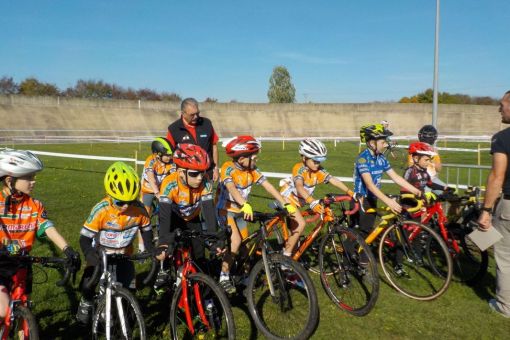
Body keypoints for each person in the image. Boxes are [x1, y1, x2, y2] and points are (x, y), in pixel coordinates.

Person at [0, 149, 80, 320]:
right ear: (10, 180)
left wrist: (67, 249)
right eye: (29, 177)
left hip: (23, 263)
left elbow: (47, 227)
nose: (33, 181)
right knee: (3, 310)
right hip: (1, 264)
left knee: (23, 311)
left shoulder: (35, 205)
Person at [216, 136, 300, 294]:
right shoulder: (228, 168)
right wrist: (244, 203)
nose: (257, 159)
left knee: (246, 246)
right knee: (235, 241)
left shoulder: (252, 170)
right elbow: (231, 187)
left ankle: (243, 274)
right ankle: (224, 276)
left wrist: (285, 203)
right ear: (241, 159)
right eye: (254, 157)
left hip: (241, 211)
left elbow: (268, 186)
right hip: (225, 210)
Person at [76, 161, 153, 325]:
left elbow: (146, 230)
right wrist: (89, 254)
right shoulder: (101, 210)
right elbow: (84, 238)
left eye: (130, 202)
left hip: (124, 255)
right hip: (101, 255)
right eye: (120, 202)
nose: (126, 206)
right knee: (88, 283)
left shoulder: (139, 209)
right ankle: (86, 301)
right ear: (110, 196)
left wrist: (151, 249)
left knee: (130, 292)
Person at [154, 144, 226, 280]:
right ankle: (164, 269)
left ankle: (202, 288)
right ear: (181, 172)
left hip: (193, 219)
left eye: (202, 172)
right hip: (173, 218)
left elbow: (209, 214)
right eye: (194, 174)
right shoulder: (169, 184)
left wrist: (213, 239)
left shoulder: (205, 183)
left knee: (199, 256)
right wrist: (164, 242)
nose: (200, 177)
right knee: (168, 248)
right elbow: (164, 217)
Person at [352, 124, 422, 247]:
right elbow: (370, 185)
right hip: (360, 200)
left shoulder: (381, 158)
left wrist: (416, 191)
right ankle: (353, 261)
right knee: (360, 233)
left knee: (367, 231)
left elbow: (395, 177)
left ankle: (361, 258)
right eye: (383, 142)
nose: (386, 145)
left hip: (373, 198)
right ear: (372, 143)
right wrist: (388, 201)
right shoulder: (362, 159)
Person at [477, 90, 510, 318]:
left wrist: (486, 210)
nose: (499, 109)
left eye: (502, 105)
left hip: (508, 206)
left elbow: (497, 177)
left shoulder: (502, 138)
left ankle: (505, 306)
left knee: (505, 258)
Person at [280, 138, 353, 212]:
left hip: (302, 199)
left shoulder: (318, 170)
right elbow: (299, 186)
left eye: (319, 161)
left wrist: (350, 192)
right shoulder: (299, 168)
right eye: (315, 161)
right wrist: (312, 202)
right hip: (288, 197)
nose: (317, 164)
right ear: (304, 158)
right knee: (301, 223)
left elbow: (333, 180)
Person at [166, 98, 220, 182]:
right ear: (183, 113)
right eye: (192, 114)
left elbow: (214, 146)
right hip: (186, 177)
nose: (196, 117)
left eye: (197, 113)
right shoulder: (174, 129)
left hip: (207, 174)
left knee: (207, 195)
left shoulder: (207, 123)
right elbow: (169, 154)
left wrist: (216, 168)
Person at [138, 137, 175, 251]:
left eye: (171, 154)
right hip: (148, 189)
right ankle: (141, 247)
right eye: (167, 155)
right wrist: (157, 193)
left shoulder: (171, 162)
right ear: (158, 154)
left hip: (162, 189)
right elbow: (151, 179)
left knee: (165, 213)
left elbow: (174, 177)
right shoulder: (151, 161)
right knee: (144, 216)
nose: (170, 157)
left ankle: (162, 238)